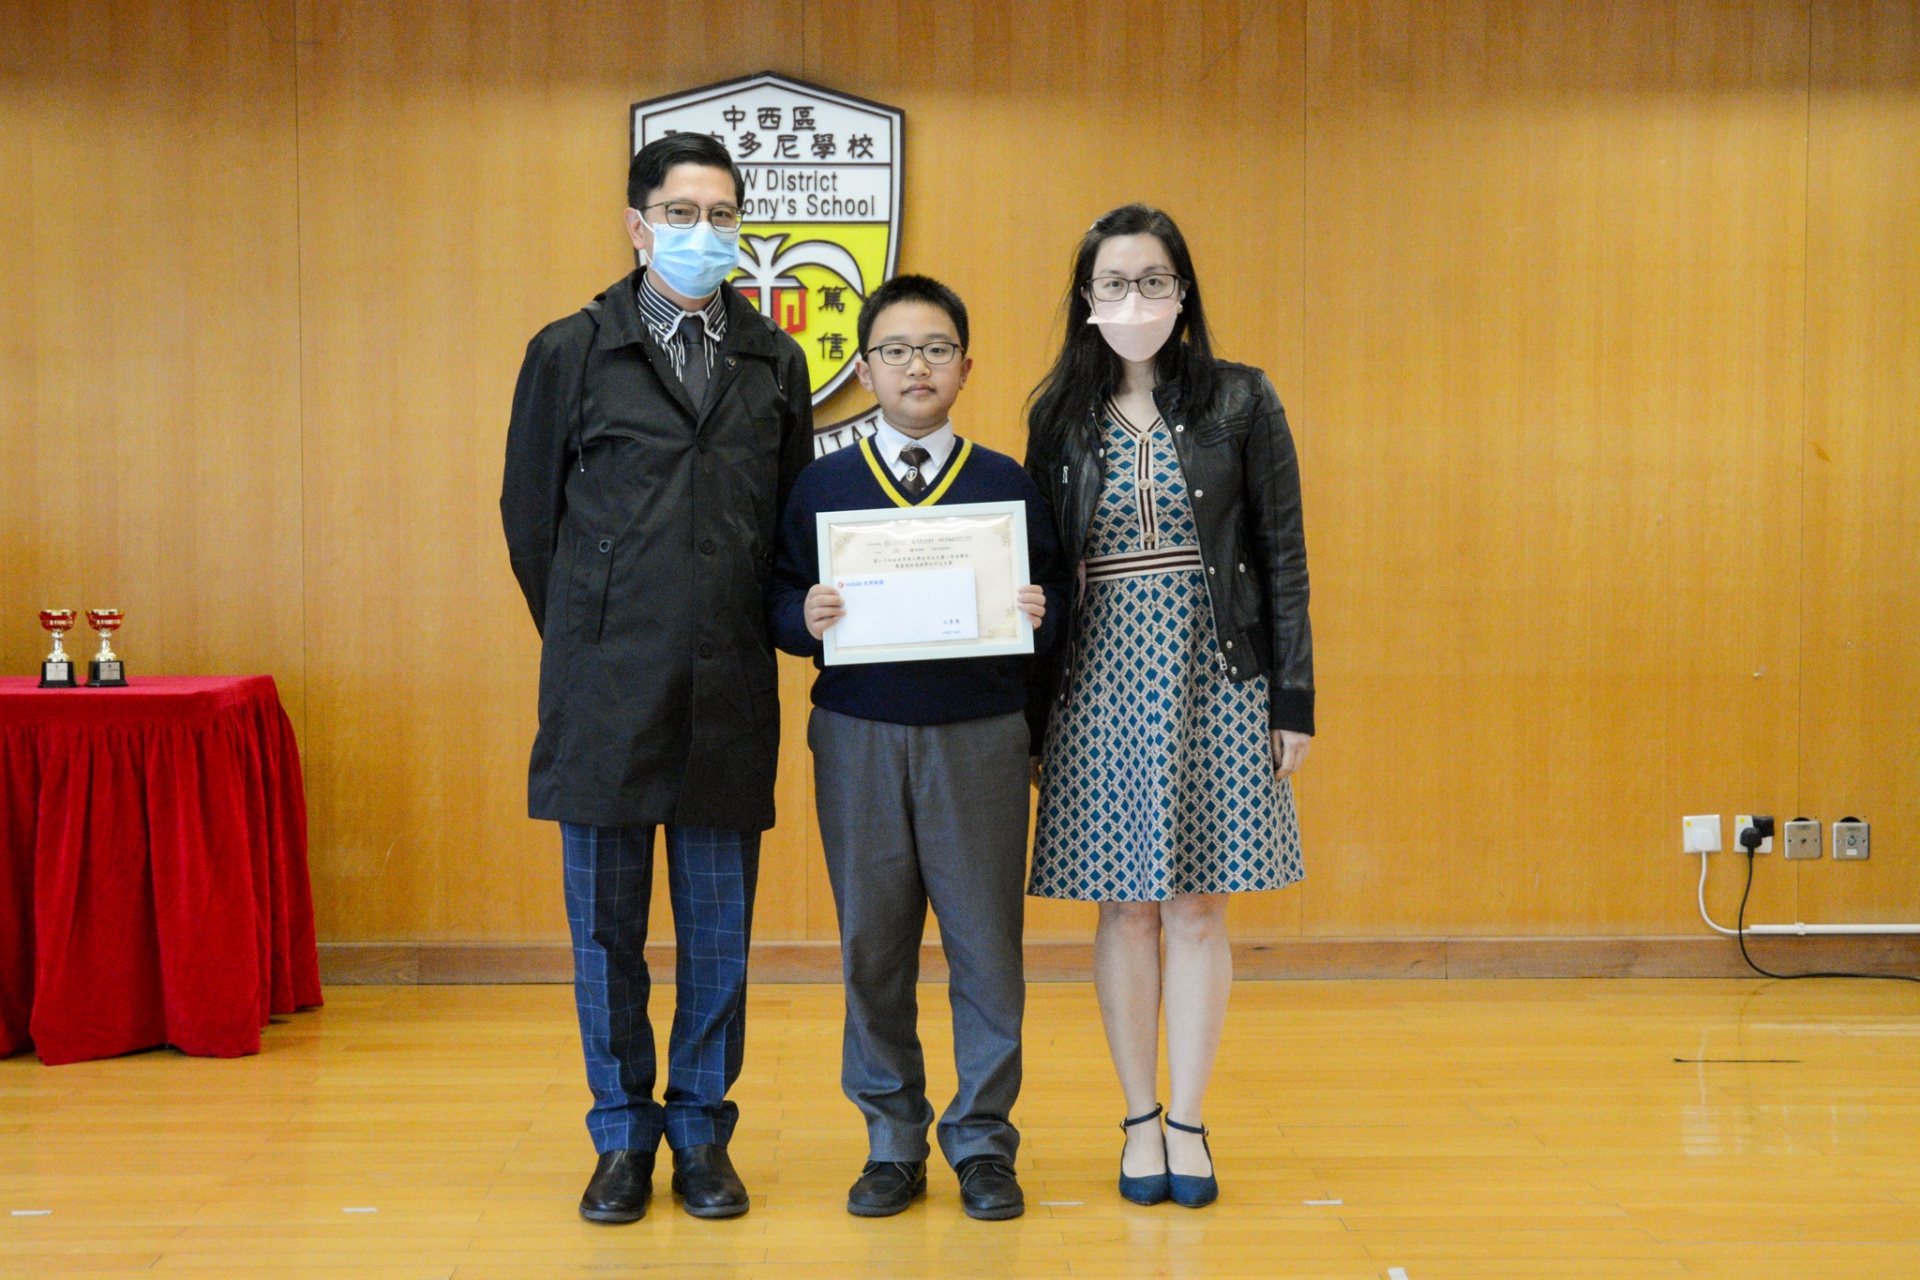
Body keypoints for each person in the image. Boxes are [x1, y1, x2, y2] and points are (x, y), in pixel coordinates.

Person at [500, 133, 813, 1224]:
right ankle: (622, 1136)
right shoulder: (571, 350)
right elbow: (529, 519)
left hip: (728, 688)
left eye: (722, 215)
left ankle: (703, 1132)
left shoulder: (774, 363)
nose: (703, 232)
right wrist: (592, 632)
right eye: (682, 213)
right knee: (606, 933)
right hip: (604, 691)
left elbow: (789, 527)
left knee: (719, 931)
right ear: (639, 226)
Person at [1024, 204, 1314, 1209]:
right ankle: (1138, 1116)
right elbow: (1041, 570)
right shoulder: (1058, 414)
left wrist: (1293, 698)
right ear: (1086, 297)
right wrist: (1031, 713)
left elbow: (1283, 555)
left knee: (1197, 903)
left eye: (1153, 280)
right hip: (1098, 676)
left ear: (1182, 292)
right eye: (1114, 282)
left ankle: (1188, 1116)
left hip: (1215, 669)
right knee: (1126, 905)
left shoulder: (1242, 398)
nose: (1134, 298)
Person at [769, 275, 1070, 1221]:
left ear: (965, 368)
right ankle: (892, 1141)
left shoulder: (1003, 482)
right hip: (857, 736)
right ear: (865, 369)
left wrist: (1042, 611)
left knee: (986, 948)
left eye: (936, 349)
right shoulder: (822, 486)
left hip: (979, 739)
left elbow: (1060, 606)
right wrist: (802, 613)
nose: (916, 367)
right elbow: (772, 597)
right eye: (896, 350)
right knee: (874, 943)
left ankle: (982, 1141)